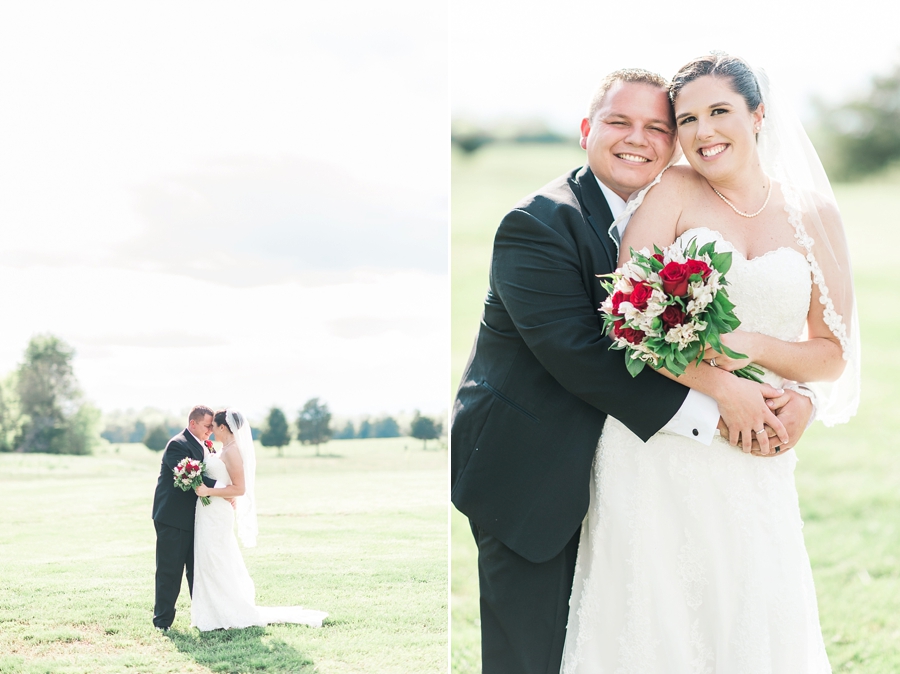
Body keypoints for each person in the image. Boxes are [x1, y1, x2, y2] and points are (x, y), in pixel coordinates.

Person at [451, 68, 816, 673]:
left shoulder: (680, 207)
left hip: (635, 470)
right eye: (619, 122)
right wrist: (725, 401)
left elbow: (766, 323)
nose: (637, 138)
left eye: (657, 126)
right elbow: (581, 355)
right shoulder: (538, 222)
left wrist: (798, 395)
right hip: (533, 470)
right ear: (587, 129)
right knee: (532, 655)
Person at [560, 53, 859, 673]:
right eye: (687, 119)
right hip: (658, 449)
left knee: (754, 609)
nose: (702, 132)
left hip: (757, 449)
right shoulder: (670, 191)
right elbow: (624, 317)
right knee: (653, 617)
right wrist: (723, 387)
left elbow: (831, 356)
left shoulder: (815, 217)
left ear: (758, 115)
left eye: (719, 111)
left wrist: (755, 353)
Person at [191, 408, 327, 631]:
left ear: (223, 427)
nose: (211, 430)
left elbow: (239, 488)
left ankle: (227, 611)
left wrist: (208, 492)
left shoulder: (232, 451)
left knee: (217, 559)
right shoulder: (223, 448)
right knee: (208, 560)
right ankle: (211, 610)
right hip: (209, 512)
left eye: (213, 426)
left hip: (217, 513)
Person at [151, 405, 219, 630]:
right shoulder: (177, 445)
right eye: (207, 425)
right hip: (173, 518)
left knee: (197, 569)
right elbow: (194, 478)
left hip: (197, 518)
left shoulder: (205, 444)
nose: (211, 430)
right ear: (193, 423)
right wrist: (225, 488)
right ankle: (162, 622)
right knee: (169, 571)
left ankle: (204, 618)